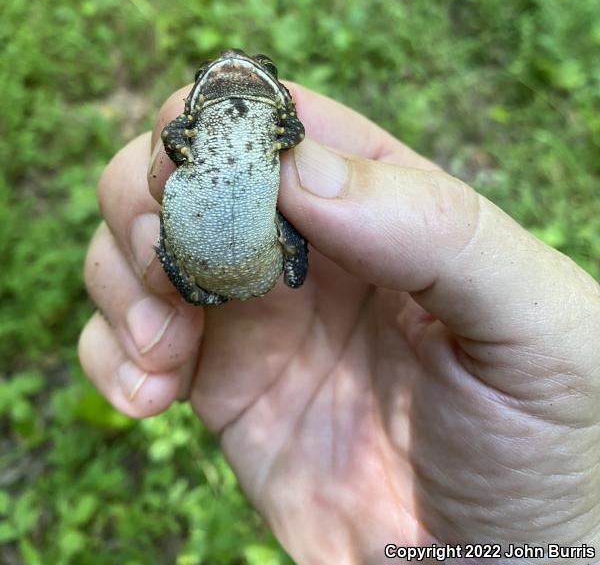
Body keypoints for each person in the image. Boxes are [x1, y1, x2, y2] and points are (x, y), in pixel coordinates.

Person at [79, 82, 600, 563]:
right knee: (161, 247)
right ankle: (196, 283)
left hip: (264, 247)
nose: (236, 67)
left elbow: (294, 134)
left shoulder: (279, 124)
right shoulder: (193, 122)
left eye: (261, 70)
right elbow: (173, 144)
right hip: (215, 256)